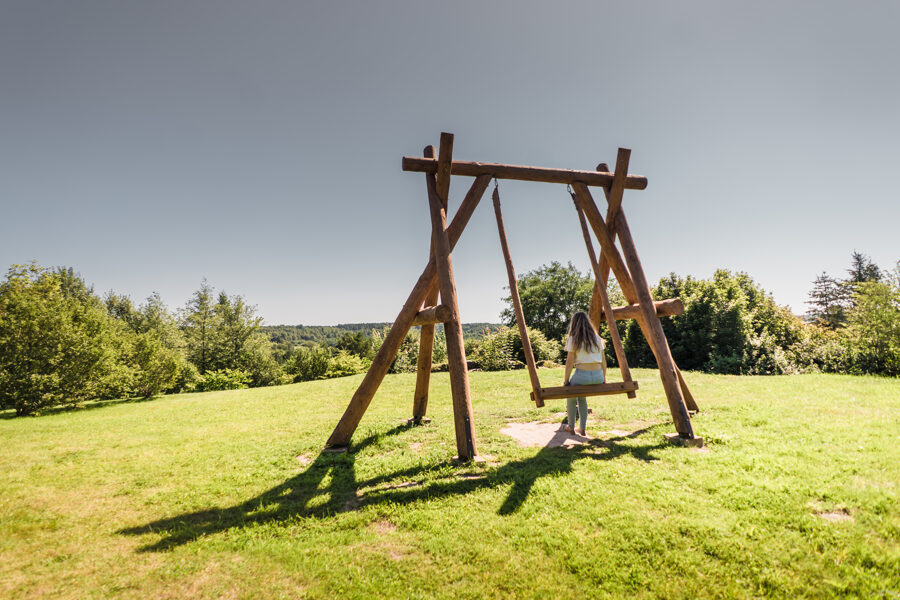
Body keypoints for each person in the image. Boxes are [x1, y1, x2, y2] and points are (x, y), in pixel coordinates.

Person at [563, 311, 607, 436]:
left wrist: (566, 381)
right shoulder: (597, 338)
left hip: (582, 376)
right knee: (581, 396)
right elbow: (604, 361)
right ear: (588, 323)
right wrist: (604, 378)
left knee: (571, 396)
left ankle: (571, 427)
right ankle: (582, 428)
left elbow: (569, 362)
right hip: (598, 376)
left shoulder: (574, 339)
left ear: (574, 324)